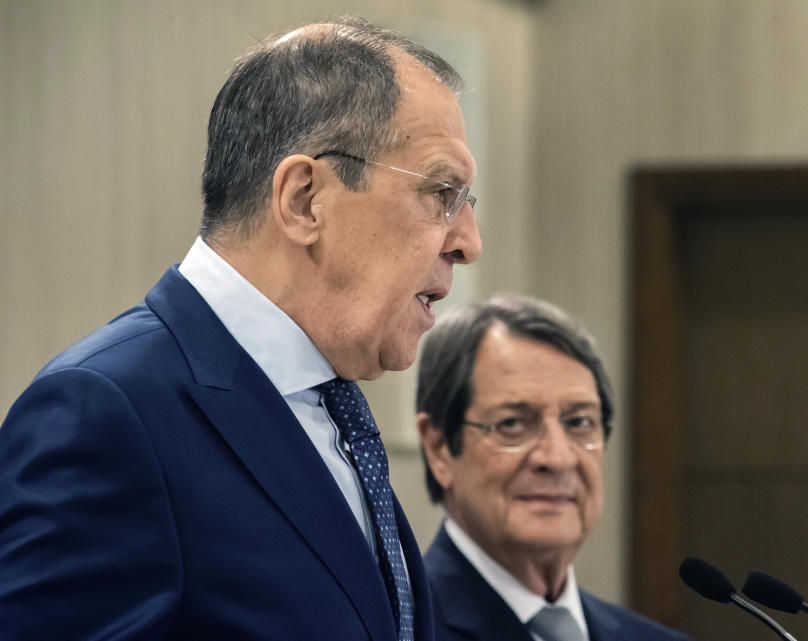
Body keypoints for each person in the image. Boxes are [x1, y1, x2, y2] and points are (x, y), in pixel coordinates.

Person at [0, 16, 480, 640]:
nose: (468, 241)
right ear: (305, 199)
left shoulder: (333, 409)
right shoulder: (105, 414)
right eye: (442, 192)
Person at [415, 295, 691, 641]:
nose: (558, 458)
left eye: (579, 422)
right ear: (438, 448)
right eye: (513, 423)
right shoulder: (397, 629)